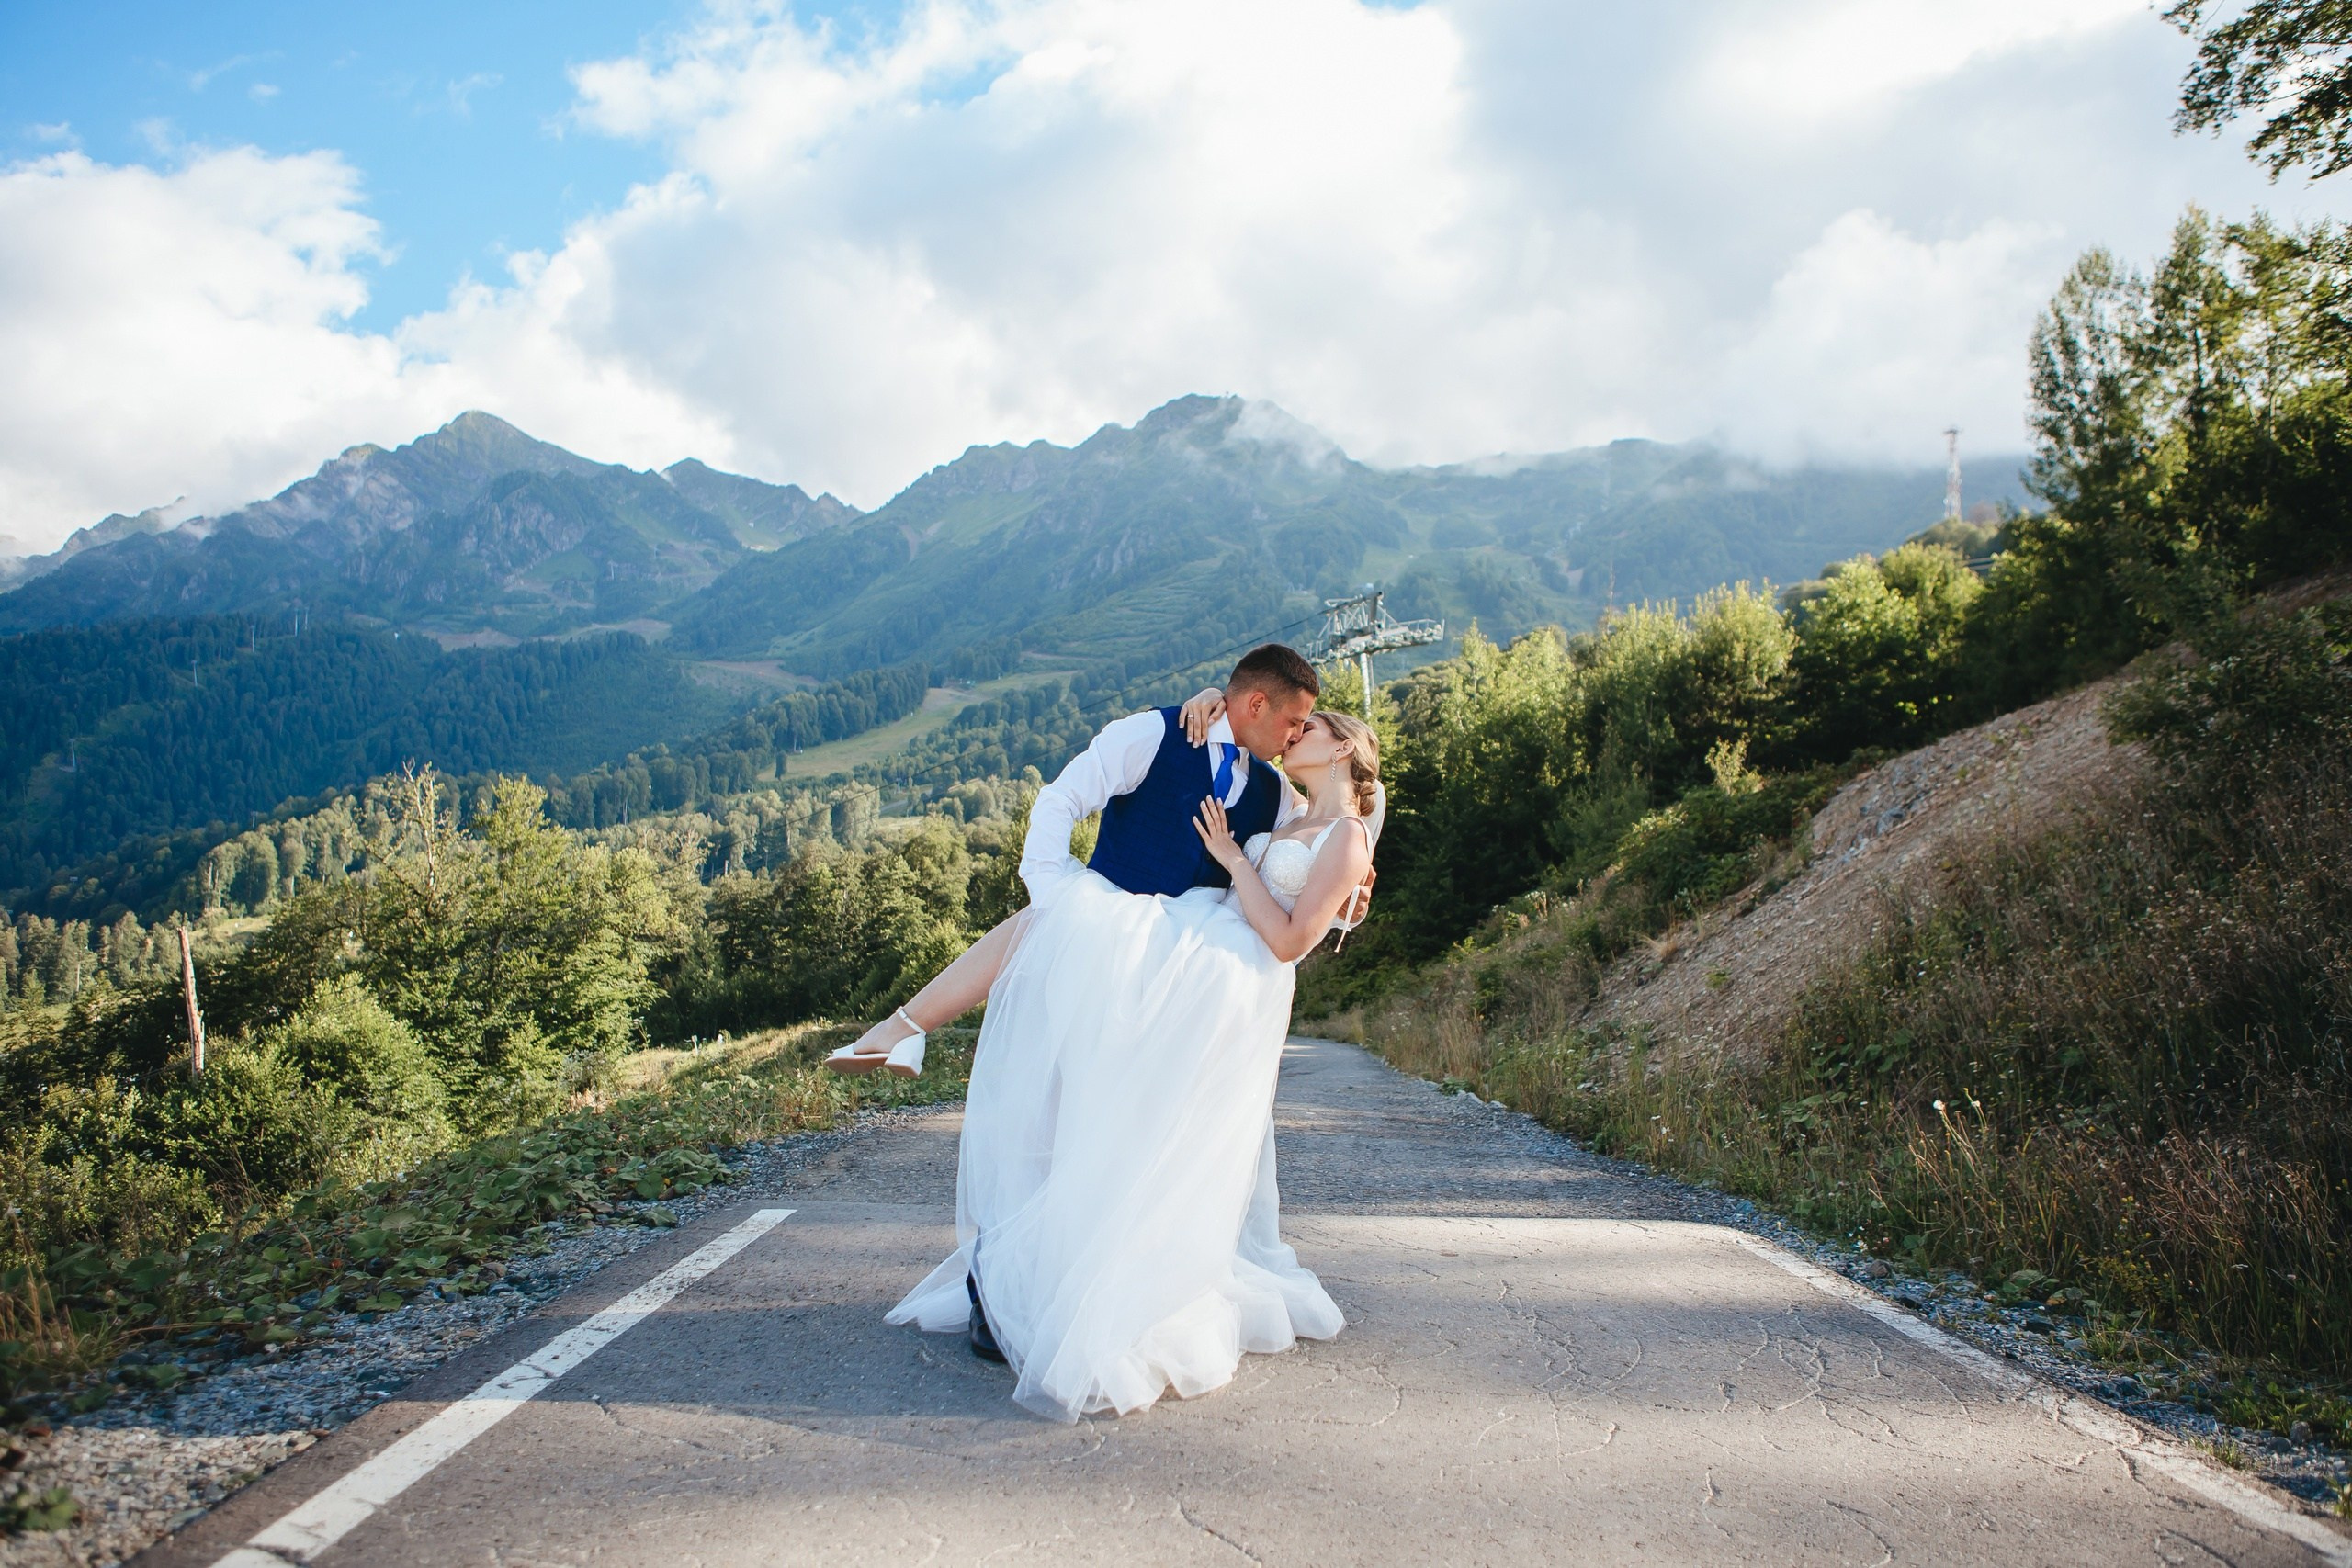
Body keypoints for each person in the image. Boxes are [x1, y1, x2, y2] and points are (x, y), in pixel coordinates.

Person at [879, 648, 1383, 1420]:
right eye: (1290, 718)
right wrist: (1213, 698)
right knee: (1095, 1115)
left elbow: (1297, 922)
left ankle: (1099, 1281)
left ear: (1338, 746)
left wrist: (1252, 867)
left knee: (1153, 1140)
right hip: (1159, 961)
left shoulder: (1304, 809)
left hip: (1218, 986)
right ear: (1255, 706)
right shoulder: (1273, 789)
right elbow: (1229, 763)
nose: (1293, 733)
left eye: (1305, 725)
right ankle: (1012, 1272)